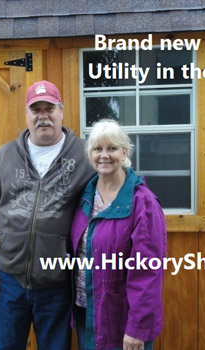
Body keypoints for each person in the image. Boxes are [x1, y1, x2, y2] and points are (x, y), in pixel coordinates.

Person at [0, 80, 95, 350]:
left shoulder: (86, 156)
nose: (43, 116)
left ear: (61, 111)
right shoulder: (3, 157)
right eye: (35, 109)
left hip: (57, 282)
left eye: (49, 108)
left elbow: (112, 191)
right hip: (8, 280)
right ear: (27, 115)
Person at [70, 119, 167, 350]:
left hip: (122, 321)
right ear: (90, 154)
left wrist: (137, 328)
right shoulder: (83, 196)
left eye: (112, 148)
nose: (104, 155)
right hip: (87, 314)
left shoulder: (142, 203)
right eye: (97, 149)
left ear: (124, 152)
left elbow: (148, 272)